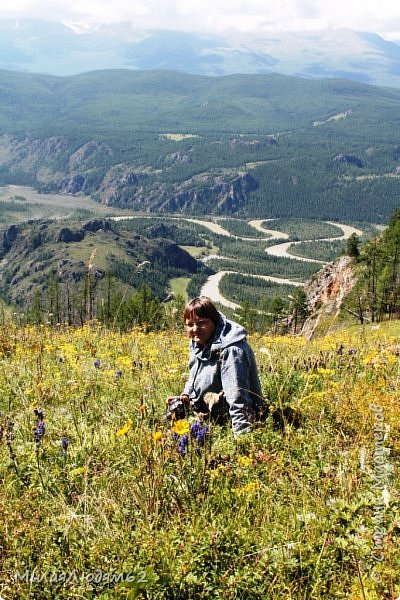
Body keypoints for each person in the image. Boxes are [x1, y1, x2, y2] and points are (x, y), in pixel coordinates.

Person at [168, 296, 264, 436]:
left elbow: (238, 399)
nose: (195, 329)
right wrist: (185, 395)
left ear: (214, 321)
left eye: (201, 323)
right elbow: (194, 375)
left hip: (224, 420)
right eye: (190, 325)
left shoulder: (231, 350)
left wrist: (243, 441)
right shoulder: (200, 341)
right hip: (205, 412)